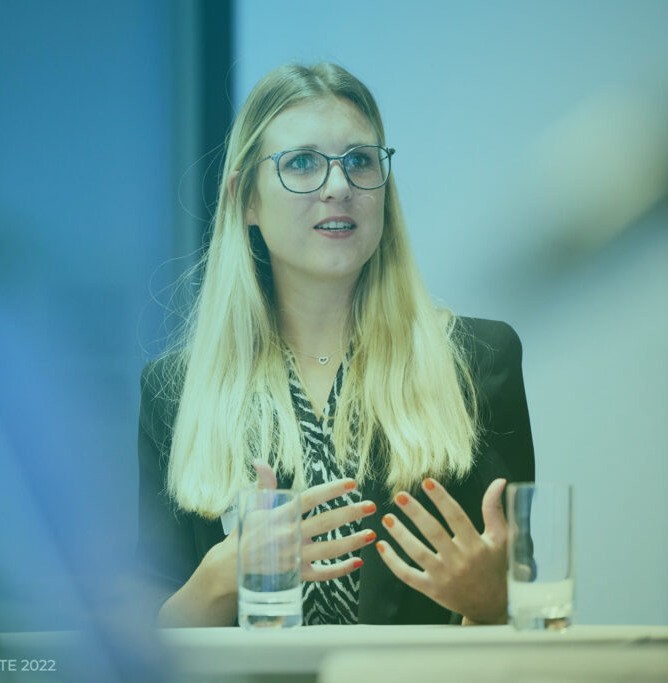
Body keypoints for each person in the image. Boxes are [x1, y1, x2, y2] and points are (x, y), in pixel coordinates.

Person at [136, 62, 534, 627]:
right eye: (302, 163)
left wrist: (496, 603)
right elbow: (144, 646)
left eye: (360, 161)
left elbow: (523, 610)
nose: (340, 187)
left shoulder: (478, 359)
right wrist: (219, 580)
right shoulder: (176, 390)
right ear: (246, 200)